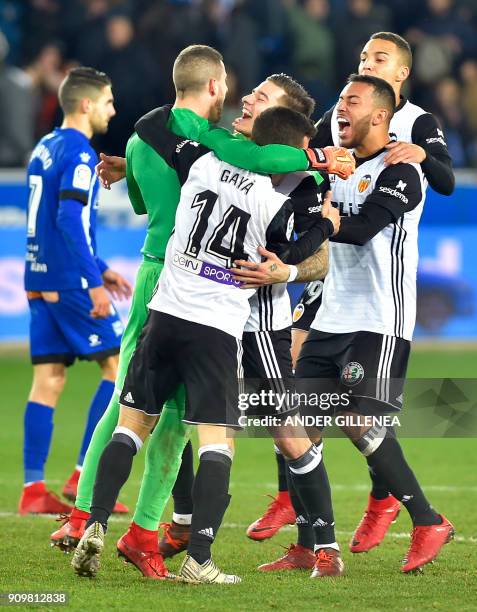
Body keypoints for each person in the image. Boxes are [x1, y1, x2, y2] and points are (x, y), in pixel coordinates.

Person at [54, 46, 350, 578]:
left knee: (273, 429)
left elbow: (321, 261)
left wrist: (282, 271)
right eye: (249, 93)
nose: (246, 101)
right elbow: (314, 234)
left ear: (285, 124)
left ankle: (314, 543)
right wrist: (323, 212)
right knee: (202, 430)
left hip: (237, 314)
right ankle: (175, 539)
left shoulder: (231, 163)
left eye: (261, 100)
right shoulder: (235, 158)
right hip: (216, 316)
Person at [251, 30, 456, 550]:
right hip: (332, 312)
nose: (340, 108)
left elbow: (365, 225)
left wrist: (419, 160)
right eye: (363, 57)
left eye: (378, 59)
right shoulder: (338, 156)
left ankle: (420, 516)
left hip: (380, 315)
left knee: (361, 419)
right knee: (295, 425)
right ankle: (307, 544)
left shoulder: (406, 158)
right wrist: (288, 258)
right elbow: (304, 193)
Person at [20, 67, 131, 515]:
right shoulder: (81, 155)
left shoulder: (45, 146)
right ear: (86, 105)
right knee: (118, 366)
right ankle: (83, 475)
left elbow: (54, 221)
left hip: (39, 277)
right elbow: (69, 220)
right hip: (68, 283)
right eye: (107, 102)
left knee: (48, 380)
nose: (112, 110)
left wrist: (100, 268)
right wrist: (90, 281)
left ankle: (32, 491)